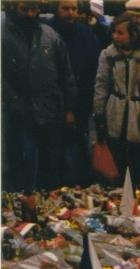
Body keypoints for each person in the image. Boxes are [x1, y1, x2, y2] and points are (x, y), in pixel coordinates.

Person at [2, 0, 77, 193]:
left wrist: (69, 108)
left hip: (50, 112)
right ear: (13, 8)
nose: (29, 14)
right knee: (23, 166)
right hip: (18, 115)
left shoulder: (50, 35)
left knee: (50, 167)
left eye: (33, 9)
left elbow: (66, 74)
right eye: (24, 9)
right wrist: (14, 101)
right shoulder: (3, 35)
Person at [93, 13, 140, 187]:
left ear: (133, 34)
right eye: (114, 32)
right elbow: (101, 85)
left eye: (120, 33)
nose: (115, 36)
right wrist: (99, 114)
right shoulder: (108, 55)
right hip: (115, 118)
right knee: (115, 169)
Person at [47, 0, 101, 187]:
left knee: (80, 147)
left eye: (74, 9)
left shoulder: (86, 33)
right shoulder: (47, 31)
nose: (70, 13)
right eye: (66, 8)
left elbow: (95, 67)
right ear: (57, 10)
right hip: (53, 103)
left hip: (82, 103)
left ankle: (80, 187)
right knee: (55, 151)